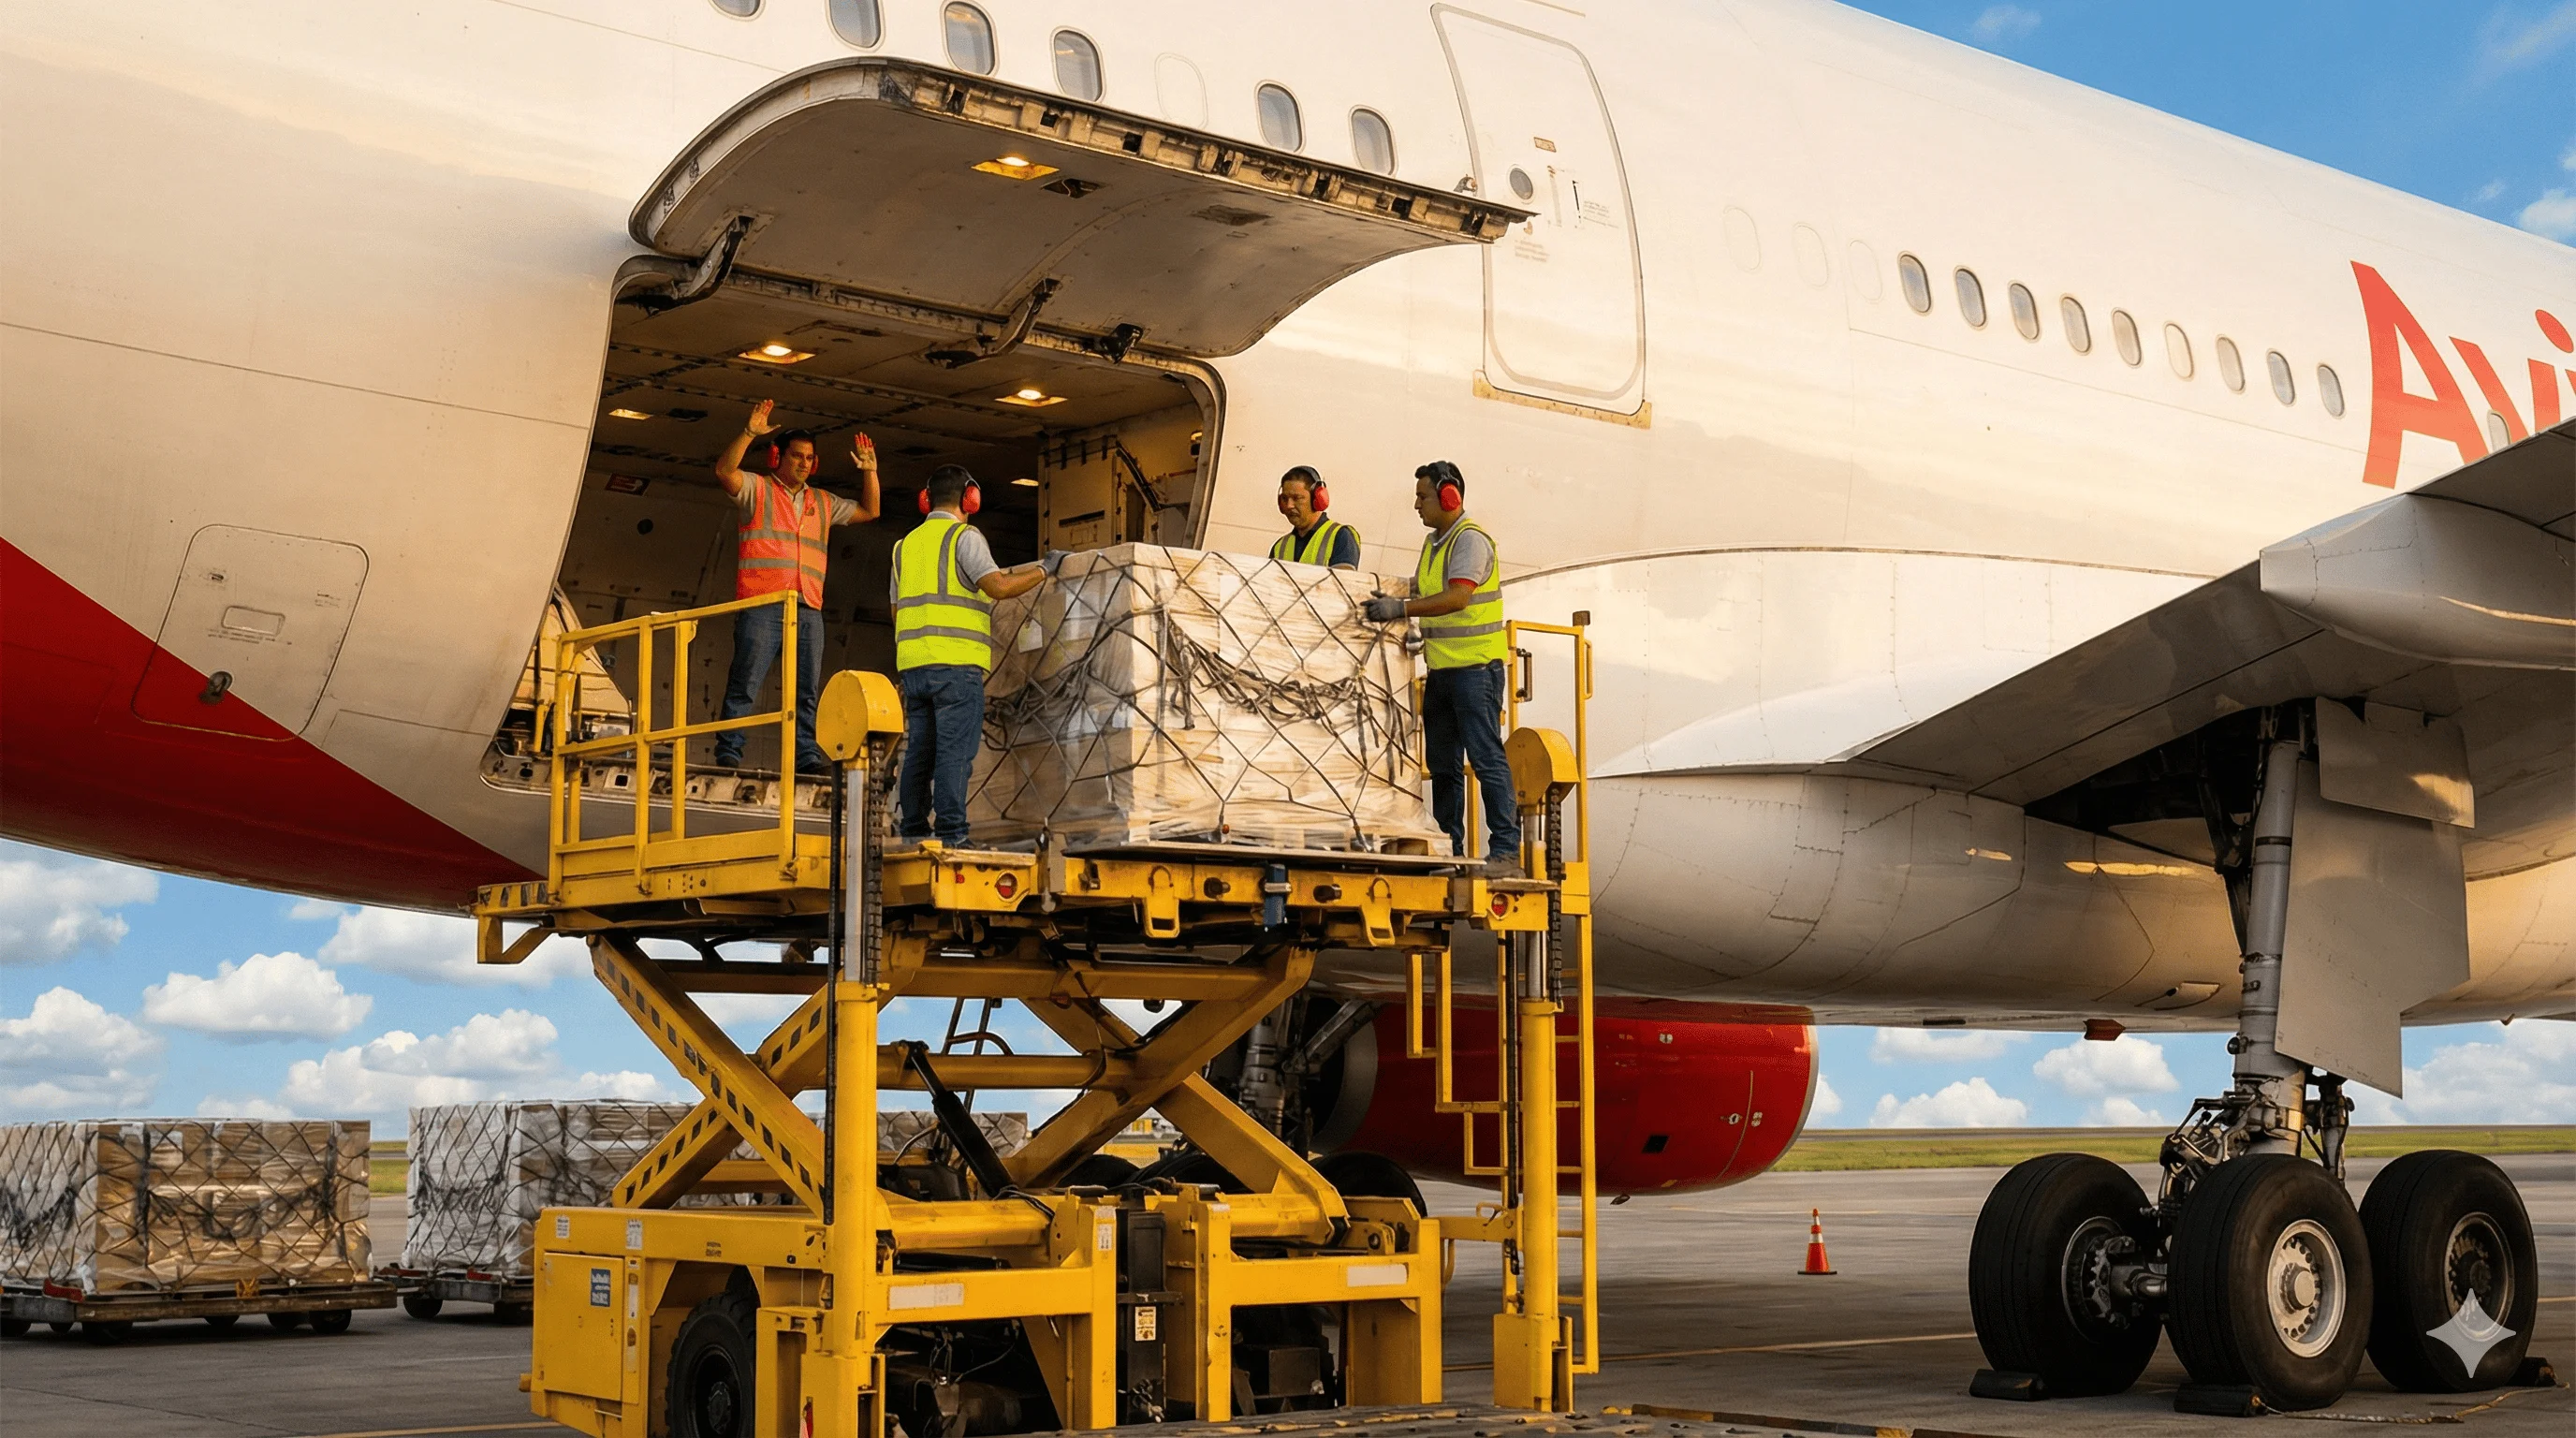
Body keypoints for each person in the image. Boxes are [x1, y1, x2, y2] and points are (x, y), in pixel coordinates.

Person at [1362, 460, 1523, 877]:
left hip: (1475, 671)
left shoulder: (1469, 541)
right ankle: (1449, 850)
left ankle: (1506, 852)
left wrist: (1400, 608)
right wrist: (1388, 591)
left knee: (1486, 759)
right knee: (1444, 765)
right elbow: (1424, 587)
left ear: (1449, 496)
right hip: (1443, 672)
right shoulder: (1434, 543)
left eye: (1422, 496)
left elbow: (1456, 598)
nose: (1417, 505)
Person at [711, 400, 880, 774]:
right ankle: (730, 751)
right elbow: (725, 471)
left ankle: (806, 755)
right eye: (797, 456)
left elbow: (870, 511)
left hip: (807, 606)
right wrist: (749, 433)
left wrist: (870, 471)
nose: (804, 463)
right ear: (778, 457)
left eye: (809, 458)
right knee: (746, 682)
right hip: (762, 604)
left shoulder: (822, 501)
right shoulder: (757, 489)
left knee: (807, 691)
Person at [892, 463, 1054, 847]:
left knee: (920, 750)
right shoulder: (964, 537)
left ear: (926, 499)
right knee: (954, 752)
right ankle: (952, 833)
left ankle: (913, 829)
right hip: (956, 664)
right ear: (970, 498)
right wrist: (1044, 570)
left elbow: (897, 611)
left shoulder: (904, 547)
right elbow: (997, 586)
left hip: (914, 665)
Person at [1268, 465, 1361, 568]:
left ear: (1317, 499)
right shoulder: (1280, 547)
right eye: (1285, 498)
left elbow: (1342, 582)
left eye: (1297, 498)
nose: (1289, 505)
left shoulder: (1341, 536)